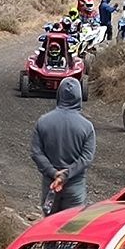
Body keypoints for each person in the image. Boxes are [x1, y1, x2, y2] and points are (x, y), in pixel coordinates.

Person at [30, 76, 96, 215]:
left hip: (51, 185)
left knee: (49, 228)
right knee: (72, 229)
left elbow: (36, 152)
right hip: (75, 186)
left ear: (59, 94)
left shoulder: (43, 122)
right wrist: (65, 175)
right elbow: (86, 158)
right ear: (79, 96)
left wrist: (54, 173)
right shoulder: (87, 127)